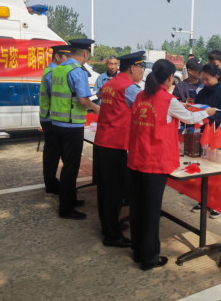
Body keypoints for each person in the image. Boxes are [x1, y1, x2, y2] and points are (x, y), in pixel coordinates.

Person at [127, 59, 216, 270]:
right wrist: (208, 112)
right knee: (151, 212)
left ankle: (138, 251)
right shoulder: (167, 99)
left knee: (137, 209)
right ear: (169, 78)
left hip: (136, 160)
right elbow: (191, 117)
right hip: (154, 163)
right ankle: (150, 259)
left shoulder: (140, 96)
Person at [93, 51, 145, 248]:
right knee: (114, 192)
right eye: (142, 68)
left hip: (102, 143)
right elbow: (146, 111)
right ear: (133, 68)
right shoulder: (130, 89)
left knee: (105, 190)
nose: (142, 72)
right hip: (115, 145)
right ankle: (111, 235)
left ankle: (109, 226)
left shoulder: (108, 84)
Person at [50, 39, 100, 220]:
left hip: (57, 123)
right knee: (71, 168)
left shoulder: (59, 68)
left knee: (67, 165)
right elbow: (82, 100)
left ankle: (70, 200)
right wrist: (96, 108)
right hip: (71, 124)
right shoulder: (77, 72)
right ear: (85, 53)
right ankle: (66, 209)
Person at [190, 63, 221, 218]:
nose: (204, 82)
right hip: (203, 133)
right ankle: (203, 200)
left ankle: (218, 204)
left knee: (218, 171)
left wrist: (205, 113)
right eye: (202, 79)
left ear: (216, 77)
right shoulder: (202, 92)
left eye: (207, 79)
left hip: (219, 136)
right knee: (204, 168)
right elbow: (196, 109)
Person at [39, 44, 71, 196]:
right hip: (49, 118)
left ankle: (52, 182)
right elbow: (56, 92)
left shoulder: (53, 71)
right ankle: (51, 184)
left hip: (51, 117)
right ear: (57, 56)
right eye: (66, 57)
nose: (68, 60)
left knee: (54, 152)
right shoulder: (52, 72)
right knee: (52, 153)